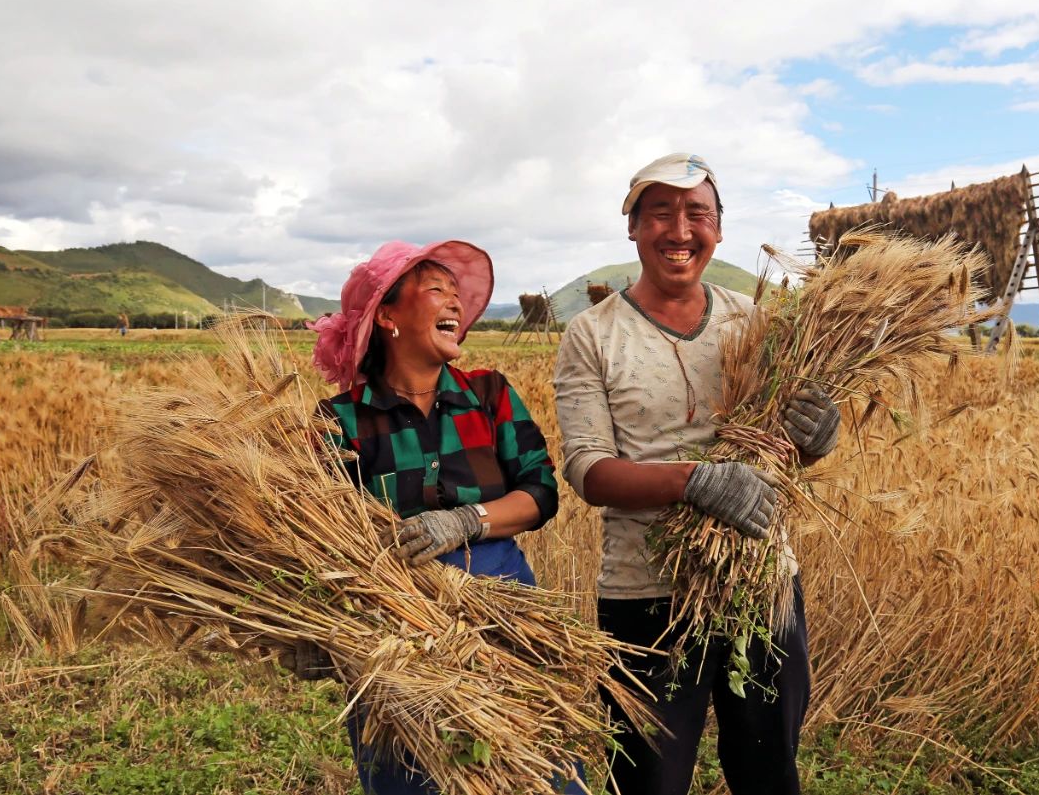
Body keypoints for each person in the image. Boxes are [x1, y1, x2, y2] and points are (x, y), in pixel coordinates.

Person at [553, 154, 841, 795]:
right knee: (647, 781)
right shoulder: (592, 334)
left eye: (696, 214)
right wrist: (696, 482)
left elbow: (779, 446)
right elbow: (589, 470)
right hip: (645, 596)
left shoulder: (757, 322)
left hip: (761, 581)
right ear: (632, 228)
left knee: (770, 773)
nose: (679, 230)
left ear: (718, 228)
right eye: (659, 214)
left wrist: (817, 436)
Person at [295, 239, 580, 795]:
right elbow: (317, 535)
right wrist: (317, 624)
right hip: (398, 631)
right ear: (387, 316)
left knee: (539, 770)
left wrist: (467, 520)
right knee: (415, 774)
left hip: (505, 612)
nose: (455, 302)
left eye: (457, 293)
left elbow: (541, 492)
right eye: (436, 290)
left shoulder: (488, 394)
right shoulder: (342, 419)